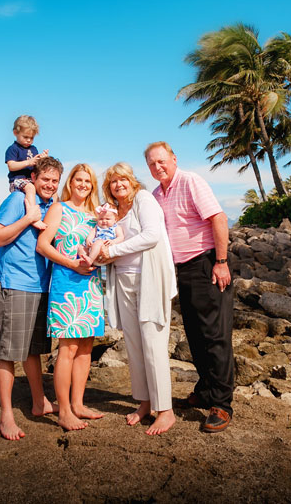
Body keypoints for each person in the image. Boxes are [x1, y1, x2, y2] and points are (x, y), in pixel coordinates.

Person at [145, 141, 234, 433]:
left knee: (215, 335)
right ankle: (206, 390)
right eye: (152, 163)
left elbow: (218, 218)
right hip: (181, 271)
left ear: (174, 158)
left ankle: (221, 404)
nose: (157, 166)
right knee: (195, 335)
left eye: (161, 160)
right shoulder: (156, 194)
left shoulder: (190, 181)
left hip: (205, 264)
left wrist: (221, 262)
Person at [97, 162, 177, 435]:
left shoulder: (143, 199)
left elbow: (151, 236)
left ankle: (165, 410)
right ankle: (145, 403)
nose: (118, 184)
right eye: (113, 181)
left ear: (132, 181)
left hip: (149, 280)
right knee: (134, 345)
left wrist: (112, 251)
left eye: (123, 179)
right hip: (122, 281)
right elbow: (105, 244)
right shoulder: (111, 211)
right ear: (108, 187)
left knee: (153, 344)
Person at [0, 155, 62, 440]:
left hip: (41, 285)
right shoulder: (18, 200)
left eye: (55, 181)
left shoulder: (50, 206)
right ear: (33, 178)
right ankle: (6, 416)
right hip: (15, 283)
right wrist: (28, 219)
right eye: (45, 179)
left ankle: (39, 402)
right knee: (8, 352)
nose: (50, 184)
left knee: (33, 350)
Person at [36, 163, 105, 431]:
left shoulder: (96, 215)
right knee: (68, 348)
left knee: (86, 347)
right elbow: (43, 245)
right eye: (79, 180)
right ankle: (64, 411)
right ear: (70, 182)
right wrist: (71, 264)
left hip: (91, 286)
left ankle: (78, 404)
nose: (83, 185)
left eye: (88, 181)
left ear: (92, 186)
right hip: (66, 284)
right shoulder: (59, 208)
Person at [5, 115, 50, 230]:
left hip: (31, 179)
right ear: (15, 133)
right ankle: (33, 217)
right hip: (17, 179)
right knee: (30, 188)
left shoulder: (33, 149)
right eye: (25, 137)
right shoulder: (13, 149)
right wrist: (28, 162)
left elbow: (37, 166)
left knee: (47, 188)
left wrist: (43, 159)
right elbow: (11, 166)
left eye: (32, 138)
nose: (29, 140)